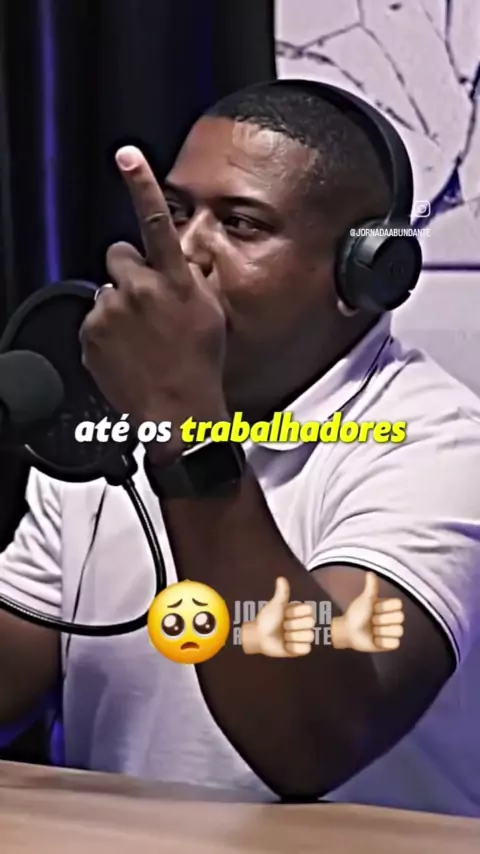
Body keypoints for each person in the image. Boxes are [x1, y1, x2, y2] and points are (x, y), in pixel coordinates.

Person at [1, 79, 480, 818]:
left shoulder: (440, 444)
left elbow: (315, 733)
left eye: (241, 225)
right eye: (175, 213)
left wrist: (184, 428)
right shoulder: (110, 419)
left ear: (366, 274)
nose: (184, 253)